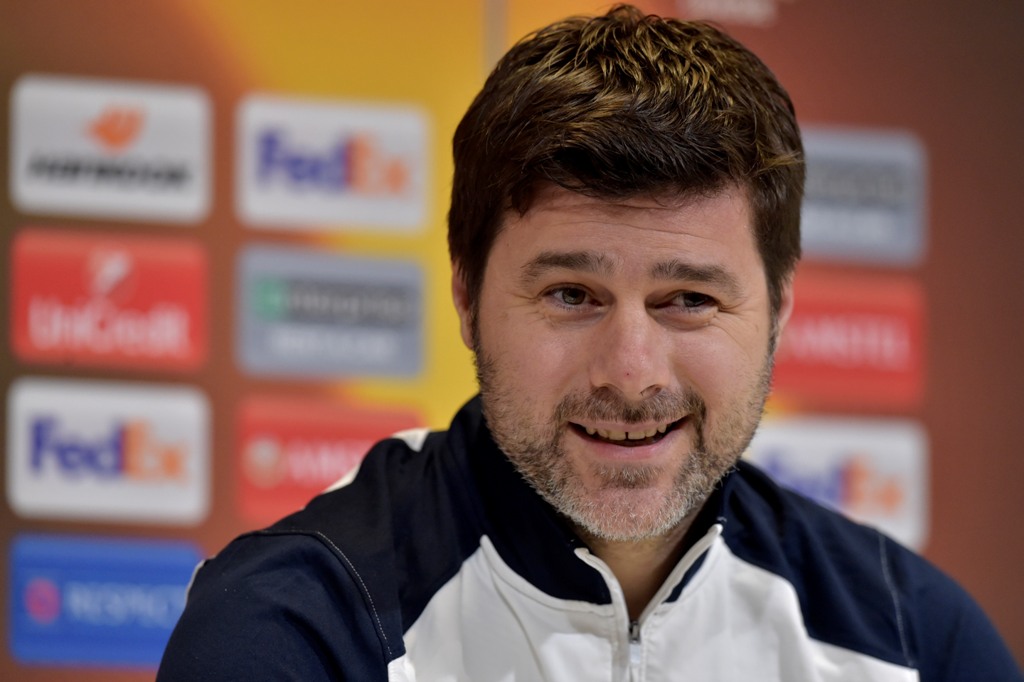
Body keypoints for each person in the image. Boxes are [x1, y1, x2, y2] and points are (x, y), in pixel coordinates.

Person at [158, 5, 1021, 680]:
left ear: (780, 310)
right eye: (572, 295)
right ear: (466, 298)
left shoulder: (916, 645)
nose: (631, 372)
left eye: (689, 299)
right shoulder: (297, 635)